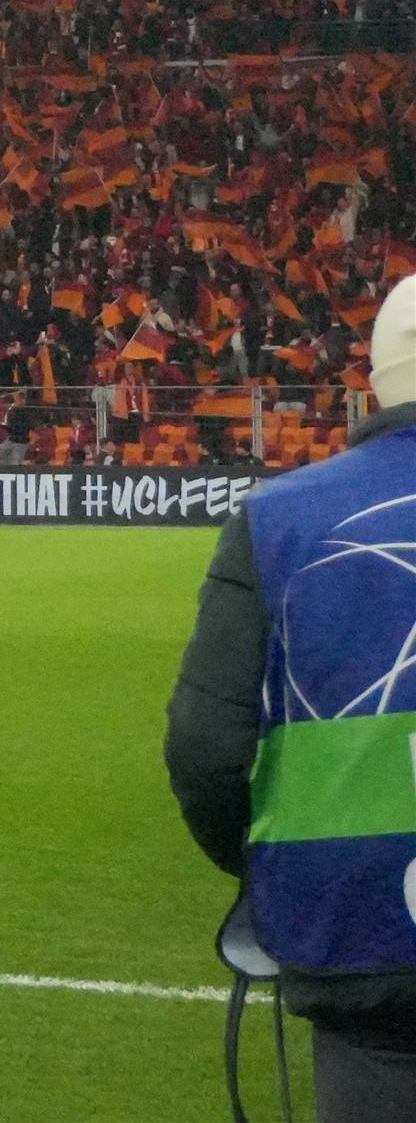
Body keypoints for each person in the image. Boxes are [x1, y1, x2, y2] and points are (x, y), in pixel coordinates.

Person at [168, 275, 416, 1117]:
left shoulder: (279, 518)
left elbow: (205, 751)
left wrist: (270, 869)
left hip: (360, 945)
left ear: (374, 382)